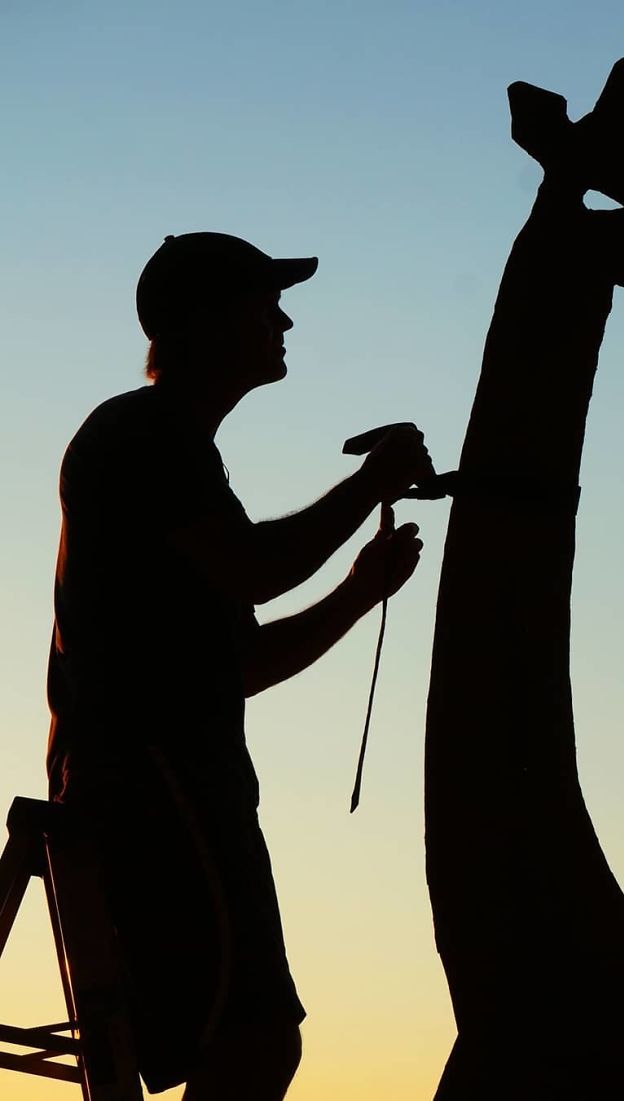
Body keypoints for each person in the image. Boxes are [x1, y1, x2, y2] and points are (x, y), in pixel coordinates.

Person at [46, 231, 433, 1100]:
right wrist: (370, 484)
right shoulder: (144, 435)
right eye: (267, 306)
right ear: (208, 322)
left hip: (180, 782)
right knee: (252, 1038)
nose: (283, 322)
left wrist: (357, 592)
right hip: (153, 782)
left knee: (252, 1039)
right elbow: (257, 568)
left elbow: (241, 662)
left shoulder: (174, 449)